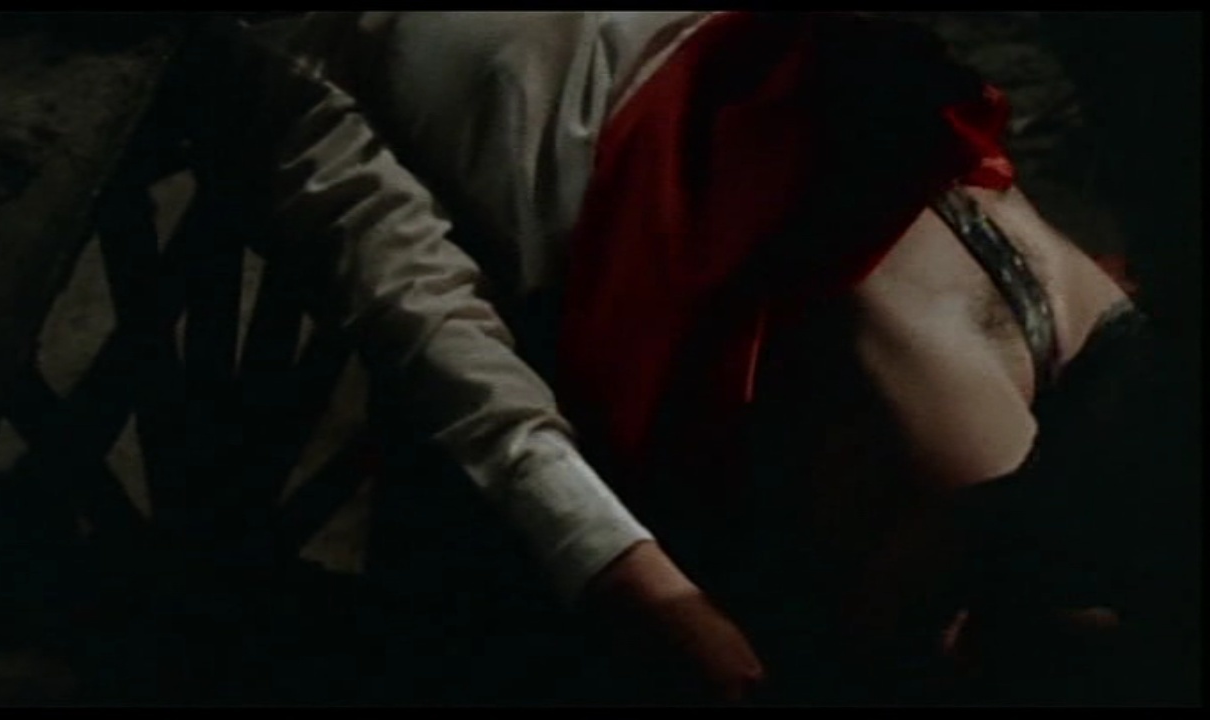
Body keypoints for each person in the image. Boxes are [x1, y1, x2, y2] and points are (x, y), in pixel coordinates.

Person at [175, 12, 1160, 705]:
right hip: (891, 365)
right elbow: (429, 325)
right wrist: (637, 581)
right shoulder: (288, 52)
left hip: (978, 265)